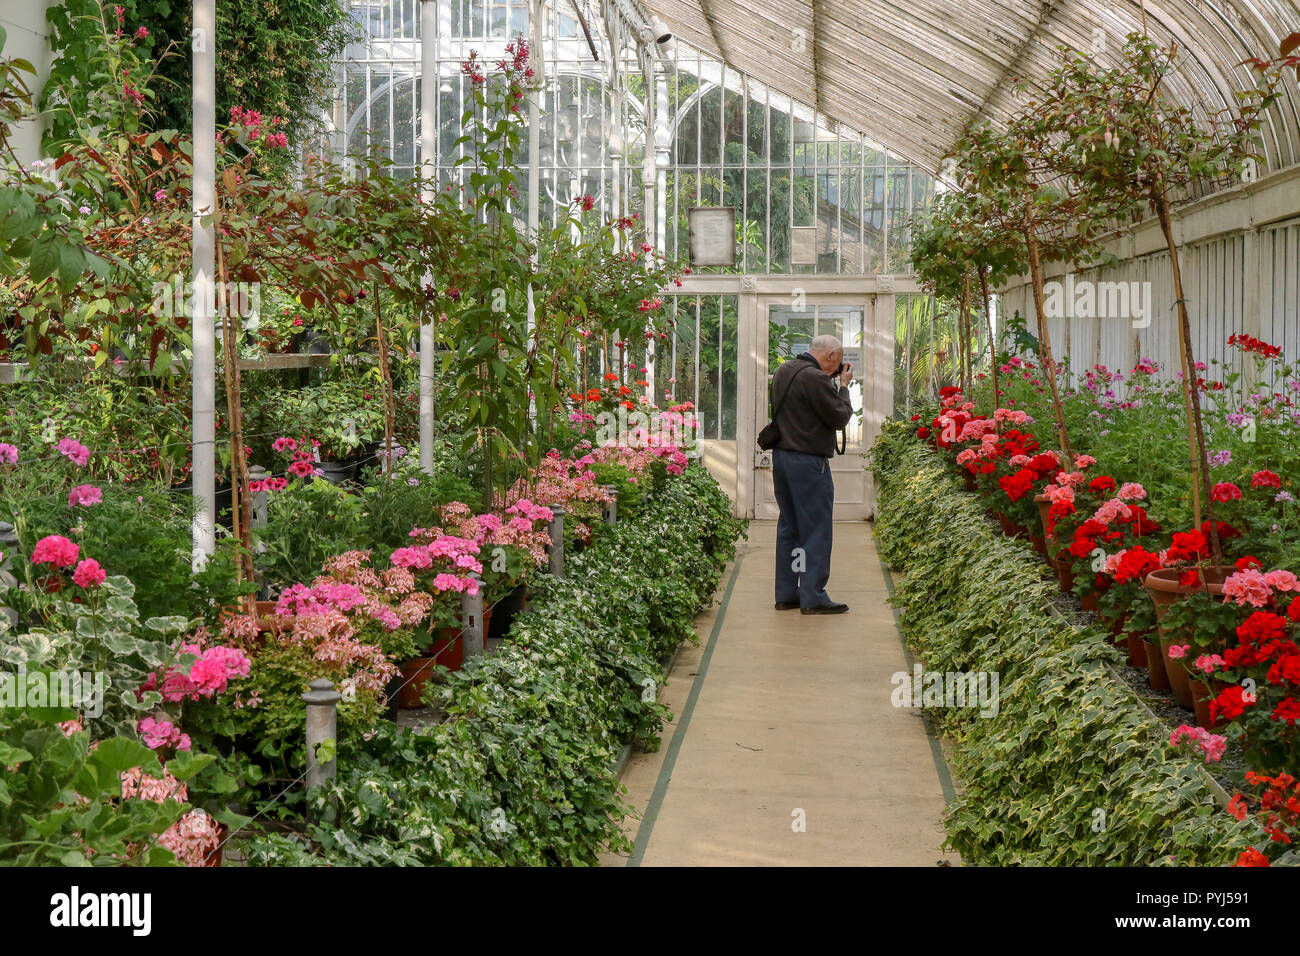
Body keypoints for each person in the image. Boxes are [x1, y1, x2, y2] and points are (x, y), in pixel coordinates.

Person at [769, 335, 855, 614]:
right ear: (830, 355)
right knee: (815, 530)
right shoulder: (815, 379)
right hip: (808, 463)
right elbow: (840, 416)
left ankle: (787, 593)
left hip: (782, 459)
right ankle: (813, 596)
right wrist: (843, 387)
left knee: (790, 527)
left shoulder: (784, 370)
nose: (838, 367)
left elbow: (804, 408)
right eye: (838, 362)